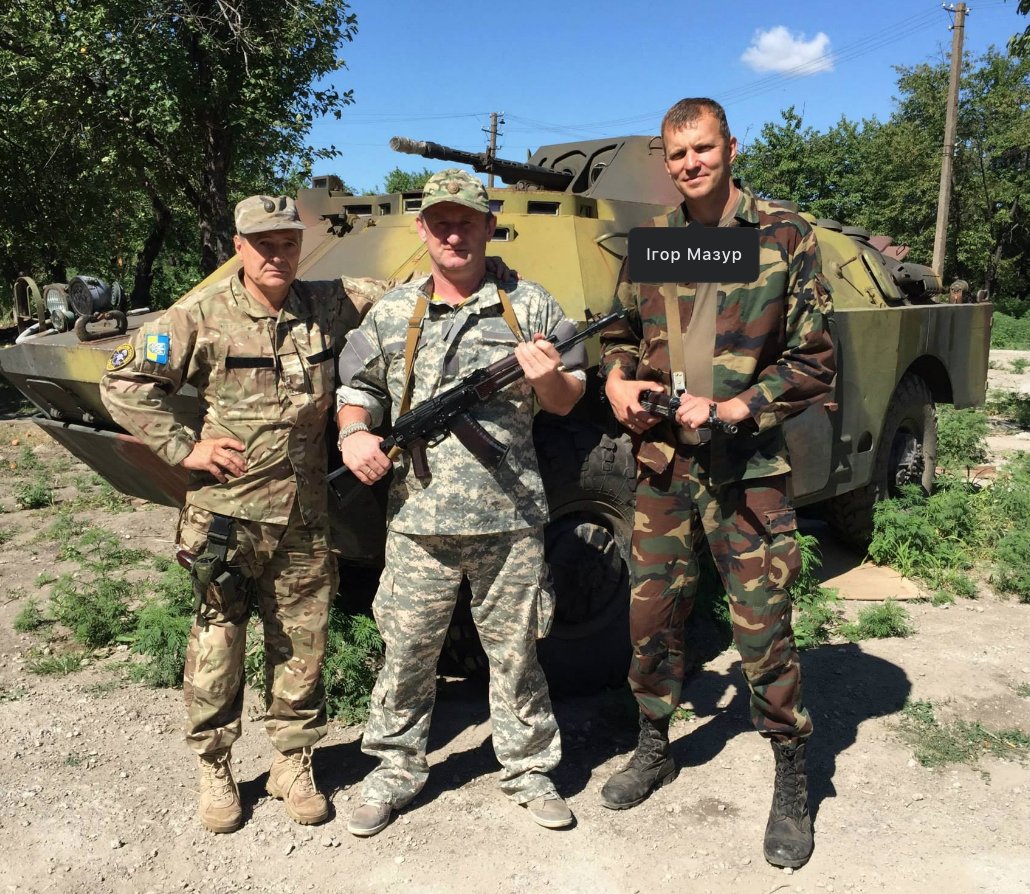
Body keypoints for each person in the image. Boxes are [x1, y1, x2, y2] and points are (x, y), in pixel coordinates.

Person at [101, 195, 389, 834]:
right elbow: (120, 384)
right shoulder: (196, 315)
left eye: (288, 242)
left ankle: (294, 760)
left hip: (306, 517)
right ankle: (215, 766)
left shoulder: (328, 300)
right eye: (264, 243)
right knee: (218, 643)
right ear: (239, 245)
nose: (277, 255)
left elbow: (408, 290)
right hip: (226, 517)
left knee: (304, 643)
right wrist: (186, 448)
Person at [598, 98, 835, 869]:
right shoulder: (658, 242)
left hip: (745, 467)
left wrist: (737, 404)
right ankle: (654, 743)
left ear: (730, 147)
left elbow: (813, 359)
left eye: (701, 149)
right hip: (664, 463)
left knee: (761, 626)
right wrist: (616, 385)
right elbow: (621, 333)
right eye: (676, 155)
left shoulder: (781, 234)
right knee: (653, 616)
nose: (690, 164)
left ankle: (792, 771)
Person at [335, 168, 587, 837]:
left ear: (487, 226)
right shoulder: (394, 312)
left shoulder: (529, 306)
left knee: (516, 653)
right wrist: (355, 430)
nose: (454, 234)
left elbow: (569, 399)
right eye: (441, 222)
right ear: (423, 229)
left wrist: (551, 377)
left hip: (510, 520)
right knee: (408, 650)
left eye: (466, 221)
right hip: (419, 521)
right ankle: (392, 770)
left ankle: (530, 770)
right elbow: (357, 384)